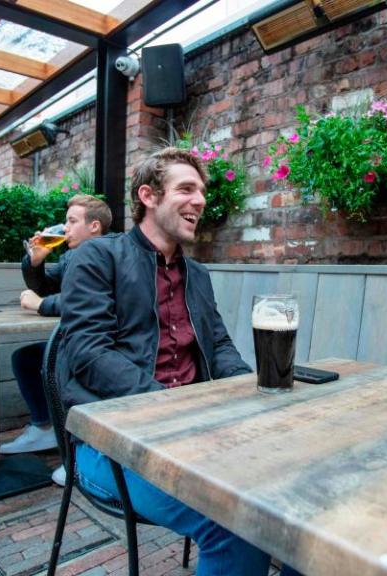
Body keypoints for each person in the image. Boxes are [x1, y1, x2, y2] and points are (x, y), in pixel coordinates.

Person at [57, 148, 299, 575]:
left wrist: (247, 394)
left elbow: (220, 347)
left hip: (195, 436)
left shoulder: (199, 276)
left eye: (201, 191)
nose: (200, 200)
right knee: (238, 524)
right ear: (148, 196)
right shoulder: (97, 258)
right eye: (186, 189)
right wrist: (171, 406)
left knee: (300, 500)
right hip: (110, 446)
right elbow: (87, 352)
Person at [0, 195, 112, 489]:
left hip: (103, 343)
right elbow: (46, 287)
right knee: (26, 359)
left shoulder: (106, 253)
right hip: (77, 338)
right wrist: (36, 263)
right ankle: (44, 427)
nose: (65, 228)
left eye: (72, 222)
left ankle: (79, 456)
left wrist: (41, 305)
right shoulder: (71, 256)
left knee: (58, 367)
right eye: (66, 221)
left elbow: (87, 298)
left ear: (95, 226)